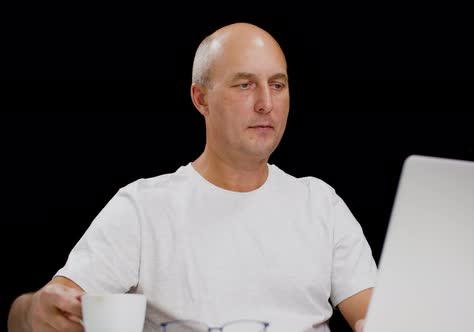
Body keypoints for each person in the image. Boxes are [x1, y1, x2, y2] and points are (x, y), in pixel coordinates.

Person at [7, 22, 377, 332]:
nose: (266, 102)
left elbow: (381, 318)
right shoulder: (142, 208)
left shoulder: (320, 204)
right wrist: (32, 309)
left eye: (277, 85)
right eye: (245, 84)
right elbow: (40, 313)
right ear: (201, 99)